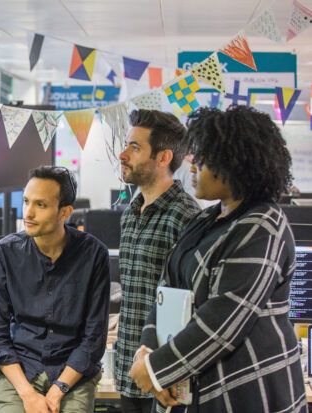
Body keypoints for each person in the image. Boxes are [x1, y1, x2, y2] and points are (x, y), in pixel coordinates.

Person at [129, 106, 307, 412]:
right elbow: (166, 287)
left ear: (236, 163)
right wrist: (146, 350)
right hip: (192, 388)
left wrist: (156, 369)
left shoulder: (263, 225)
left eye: (203, 155)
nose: (192, 163)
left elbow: (223, 321)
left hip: (246, 392)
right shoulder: (209, 218)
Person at [0, 165, 110, 413]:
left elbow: (94, 338)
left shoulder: (93, 254)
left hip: (72, 374)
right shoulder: (3, 254)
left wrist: (57, 391)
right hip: (21, 370)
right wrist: (28, 395)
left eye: (40, 205)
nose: (28, 213)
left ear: (64, 212)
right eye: (26, 201)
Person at [116, 109, 200, 413]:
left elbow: (191, 306)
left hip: (166, 377)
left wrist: (166, 369)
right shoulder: (130, 214)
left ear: (163, 158)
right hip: (129, 370)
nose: (123, 154)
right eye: (126, 145)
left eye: (135, 148)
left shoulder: (187, 217)